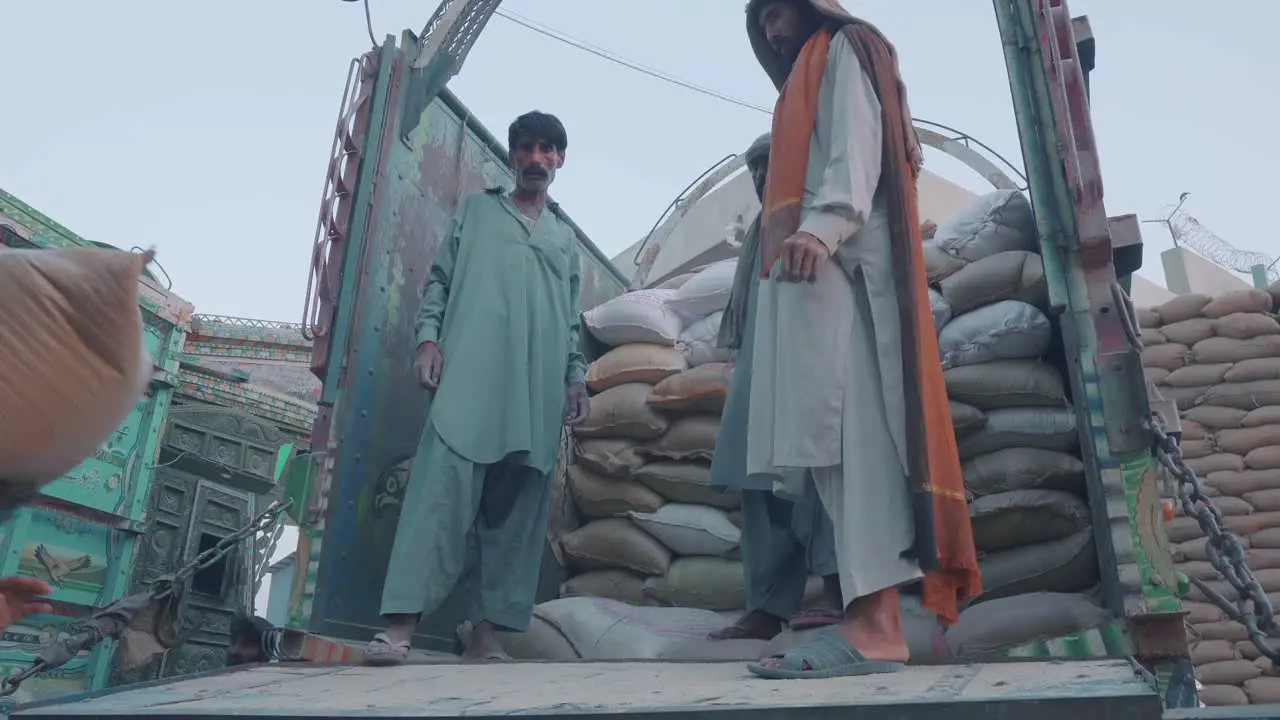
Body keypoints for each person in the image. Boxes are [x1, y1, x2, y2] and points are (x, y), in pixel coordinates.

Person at [740, 0, 981, 679]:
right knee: (830, 451)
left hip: (843, 269)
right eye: (759, 22)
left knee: (857, 442)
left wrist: (822, 225)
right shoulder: (804, 79)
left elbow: (855, 149)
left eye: (778, 13)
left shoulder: (845, 48)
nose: (770, 29)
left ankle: (877, 625)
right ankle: (863, 614)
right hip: (818, 277)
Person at [363, 111, 590, 666]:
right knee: (436, 505)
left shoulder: (565, 239)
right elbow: (439, 279)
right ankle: (400, 627)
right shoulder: (478, 212)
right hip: (469, 382)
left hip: (534, 399)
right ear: (512, 157)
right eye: (527, 149)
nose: (536, 159)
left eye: (547, 150)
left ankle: (486, 636)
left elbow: (569, 322)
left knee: (514, 521)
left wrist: (575, 377)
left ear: (560, 160)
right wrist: (427, 340)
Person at [707, 132, 843, 642]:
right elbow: (744, 311)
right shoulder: (756, 236)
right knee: (758, 482)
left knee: (822, 476)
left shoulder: (821, 223)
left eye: (772, 165)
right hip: (758, 368)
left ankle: (837, 592)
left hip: (810, 363)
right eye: (755, 171)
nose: (763, 178)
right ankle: (765, 607)